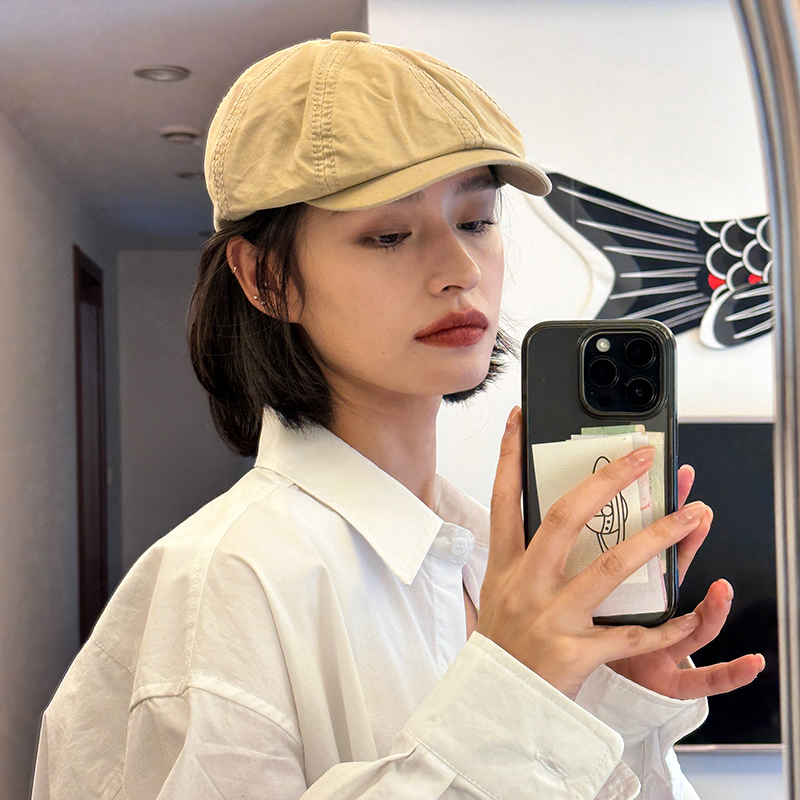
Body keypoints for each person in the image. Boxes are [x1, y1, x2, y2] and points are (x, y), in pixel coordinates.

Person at [31, 31, 764, 800]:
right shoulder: (221, 585)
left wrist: (615, 706)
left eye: (476, 221)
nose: (461, 269)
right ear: (265, 277)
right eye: (388, 234)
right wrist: (517, 697)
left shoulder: (489, 555)